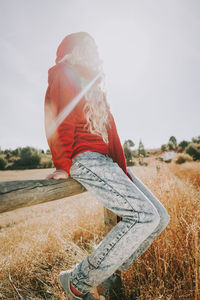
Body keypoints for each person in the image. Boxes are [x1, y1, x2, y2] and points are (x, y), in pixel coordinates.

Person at [45, 32, 170, 300]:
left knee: (159, 217)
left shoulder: (94, 85)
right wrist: (62, 164)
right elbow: (60, 120)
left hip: (107, 162)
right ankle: (78, 281)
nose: (93, 50)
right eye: (87, 46)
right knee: (144, 216)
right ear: (72, 50)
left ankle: (109, 267)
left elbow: (110, 135)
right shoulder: (63, 73)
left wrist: (122, 168)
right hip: (84, 157)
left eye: (95, 46)